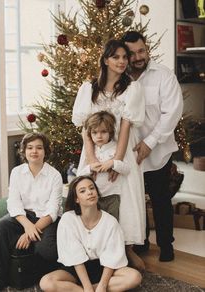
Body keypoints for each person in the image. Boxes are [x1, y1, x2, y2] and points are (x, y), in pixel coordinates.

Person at [72, 39, 146, 270]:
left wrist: (116, 161)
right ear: (105, 60)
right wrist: (93, 160)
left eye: (125, 57)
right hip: (93, 149)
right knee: (97, 193)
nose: (123, 61)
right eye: (117, 57)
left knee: (126, 198)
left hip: (120, 150)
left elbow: (126, 127)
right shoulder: (88, 89)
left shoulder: (132, 88)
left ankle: (127, 248)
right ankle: (97, 247)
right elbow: (85, 126)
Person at [122, 31, 183, 261]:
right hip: (129, 152)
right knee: (135, 198)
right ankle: (142, 242)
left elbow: (171, 113)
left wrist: (149, 143)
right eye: (131, 53)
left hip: (158, 150)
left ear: (146, 49)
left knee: (160, 199)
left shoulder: (164, 75)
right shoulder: (120, 78)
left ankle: (166, 245)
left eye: (141, 51)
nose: (138, 57)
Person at [0, 133, 63, 292]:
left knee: (46, 250)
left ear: (45, 151)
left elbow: (52, 210)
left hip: (45, 219)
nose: (34, 151)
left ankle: (46, 280)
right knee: (1, 227)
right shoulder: (17, 172)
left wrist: (28, 234)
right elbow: (13, 203)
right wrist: (27, 226)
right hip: (23, 216)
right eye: (30, 148)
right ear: (24, 151)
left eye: (39, 148)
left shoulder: (55, 175)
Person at [39, 175, 142, 292]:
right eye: (83, 191)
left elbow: (112, 257)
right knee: (46, 282)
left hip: (103, 268)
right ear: (76, 199)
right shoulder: (68, 219)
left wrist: (102, 286)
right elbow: (75, 255)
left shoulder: (110, 222)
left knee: (134, 277)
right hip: (76, 268)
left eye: (92, 188)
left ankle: (94, 289)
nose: (90, 193)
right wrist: (87, 287)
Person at [78, 110, 130, 220]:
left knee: (112, 223)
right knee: (97, 223)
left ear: (110, 132)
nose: (99, 136)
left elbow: (127, 170)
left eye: (103, 132)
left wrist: (113, 163)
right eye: (95, 133)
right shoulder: (90, 152)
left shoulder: (116, 148)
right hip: (94, 198)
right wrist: (90, 168)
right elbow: (80, 175)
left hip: (113, 196)